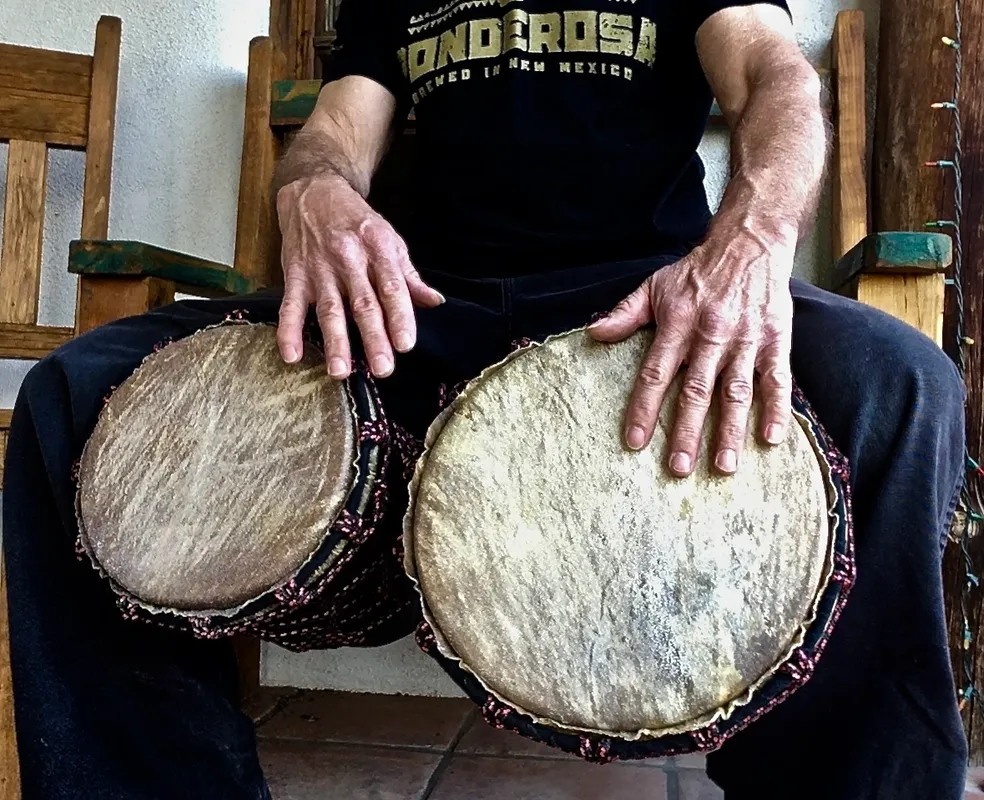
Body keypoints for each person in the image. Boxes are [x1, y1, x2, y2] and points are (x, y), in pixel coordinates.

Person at [1, 1, 970, 798]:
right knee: (74, 396)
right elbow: (336, 133)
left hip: (633, 312)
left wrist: (750, 244)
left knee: (899, 383)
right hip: (420, 307)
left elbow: (776, 77)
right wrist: (316, 192)